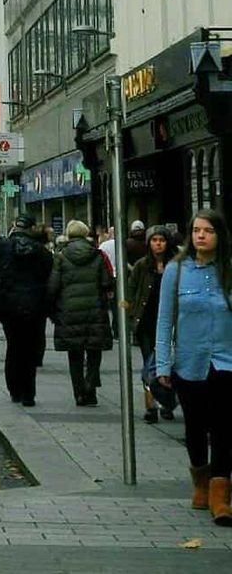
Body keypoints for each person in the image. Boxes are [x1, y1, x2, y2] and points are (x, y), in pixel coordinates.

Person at [156, 208, 232, 525]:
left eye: (208, 231)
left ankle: (220, 496)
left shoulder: (228, 269)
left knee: (225, 428)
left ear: (219, 236)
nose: (201, 236)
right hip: (189, 362)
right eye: (197, 230)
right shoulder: (176, 270)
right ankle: (200, 483)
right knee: (196, 427)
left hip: (226, 361)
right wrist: (162, 364)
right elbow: (164, 320)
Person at [47, 219, 113, 407]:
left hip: (69, 312)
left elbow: (53, 286)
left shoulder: (60, 256)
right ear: (85, 234)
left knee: (75, 355)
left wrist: (52, 310)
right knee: (94, 350)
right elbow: (106, 282)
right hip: (94, 311)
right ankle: (90, 388)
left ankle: (79, 393)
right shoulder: (97, 255)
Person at [0, 214, 53, 407]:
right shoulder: (41, 251)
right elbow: (48, 277)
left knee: (13, 347)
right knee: (29, 349)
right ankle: (28, 394)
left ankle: (14, 390)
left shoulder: (2, 248)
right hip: (33, 306)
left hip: (9, 305)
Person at [127, 224, 177, 422]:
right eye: (155, 241)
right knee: (150, 365)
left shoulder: (176, 265)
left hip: (170, 322)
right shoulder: (142, 265)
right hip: (147, 323)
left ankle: (167, 403)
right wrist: (131, 314)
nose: (158, 244)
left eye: (162, 240)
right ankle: (151, 406)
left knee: (169, 365)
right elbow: (131, 290)